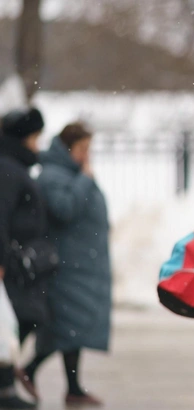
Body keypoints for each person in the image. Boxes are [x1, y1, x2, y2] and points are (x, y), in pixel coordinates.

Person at [15, 122, 111, 406]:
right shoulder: (53, 175)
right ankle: (30, 370)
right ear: (68, 148)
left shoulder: (67, 173)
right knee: (66, 327)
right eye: (82, 149)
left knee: (72, 328)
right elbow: (64, 210)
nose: (86, 155)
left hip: (81, 264)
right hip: (68, 265)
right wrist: (84, 179)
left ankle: (71, 387)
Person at [0, 108, 48, 409]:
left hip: (18, 258)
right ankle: (5, 389)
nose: (37, 145)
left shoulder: (13, 165)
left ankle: (6, 386)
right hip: (11, 260)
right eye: (35, 137)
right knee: (20, 319)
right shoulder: (8, 168)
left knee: (18, 320)